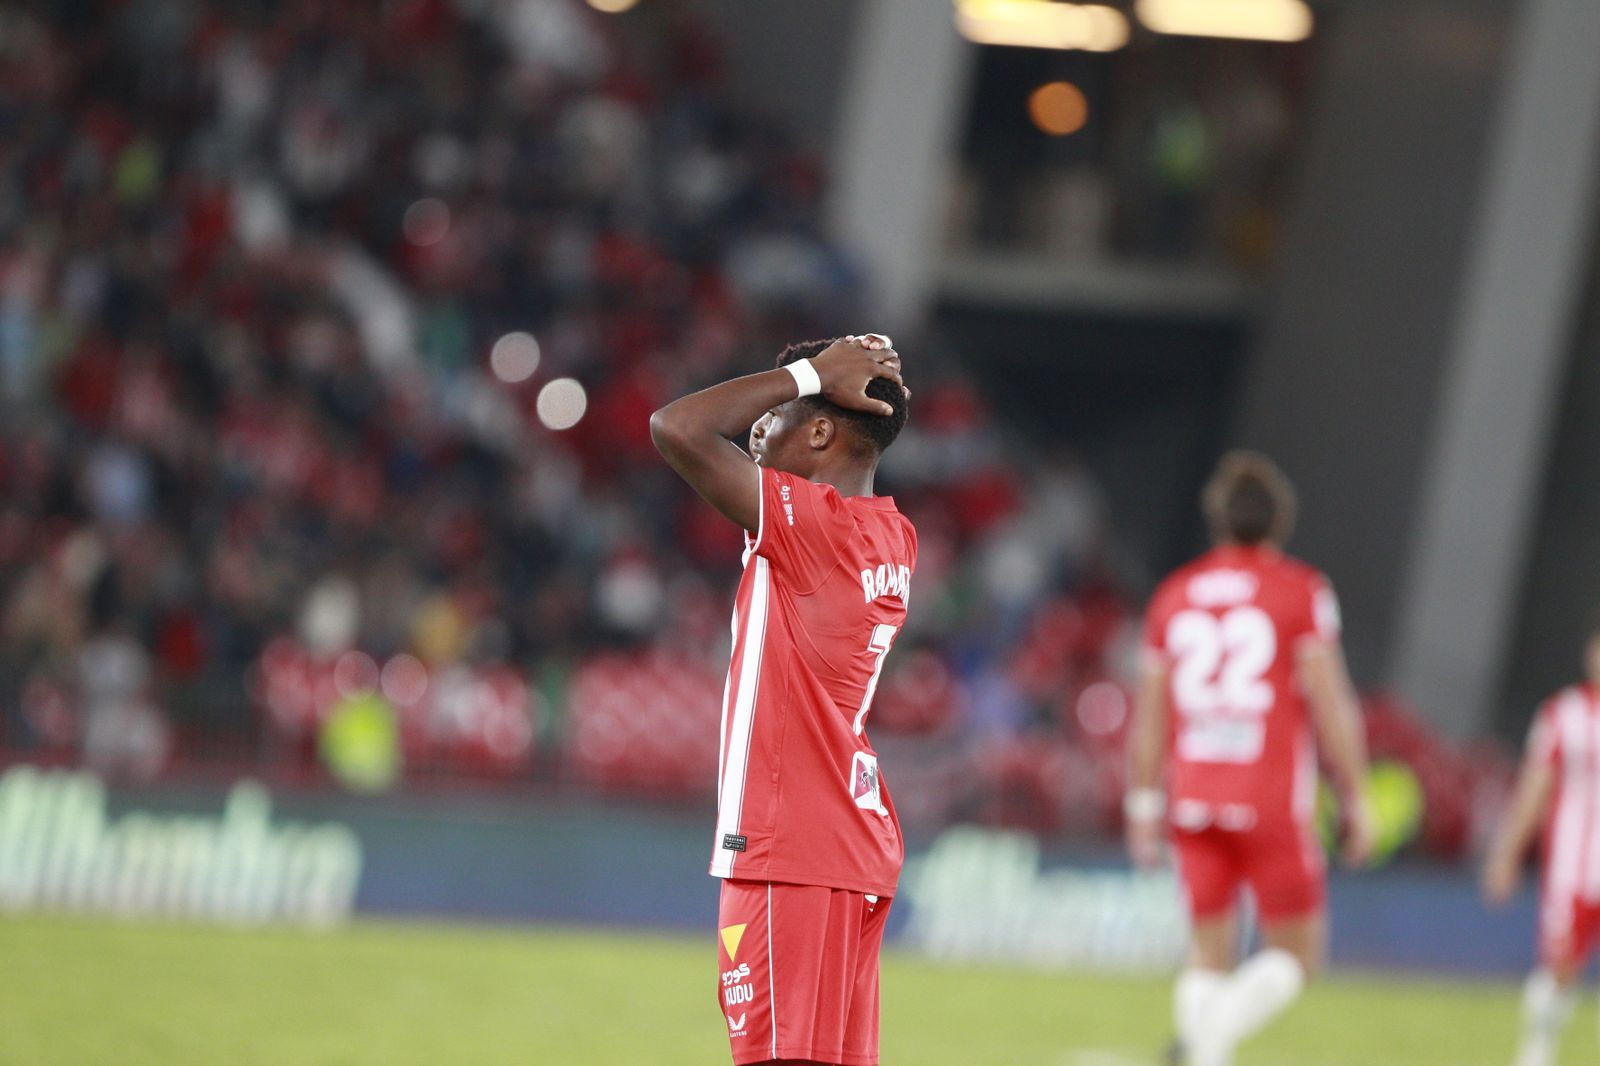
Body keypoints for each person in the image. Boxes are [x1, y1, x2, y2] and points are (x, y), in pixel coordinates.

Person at [649, 334, 914, 1066]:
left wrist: (810, 373)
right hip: (848, 845)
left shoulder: (813, 529)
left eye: (781, 409)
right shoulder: (890, 534)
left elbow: (676, 428)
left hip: (788, 844)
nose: (757, 426)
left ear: (823, 430)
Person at [1124, 450, 1373, 1066]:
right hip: (1268, 796)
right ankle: (1204, 1046)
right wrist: (1357, 795)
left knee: (1208, 952)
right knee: (1298, 955)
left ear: (1218, 520)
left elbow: (1151, 712)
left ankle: (1202, 1049)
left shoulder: (1174, 595)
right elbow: (1331, 703)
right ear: (1280, 521)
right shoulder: (1300, 592)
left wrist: (1143, 801)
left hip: (1193, 796)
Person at [1483, 616, 1600, 1066]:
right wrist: (1505, 855)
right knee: (1561, 969)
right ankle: (1538, 1049)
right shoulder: (1563, 714)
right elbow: (1534, 789)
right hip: (1573, 868)